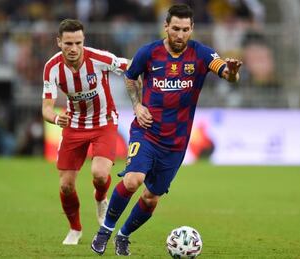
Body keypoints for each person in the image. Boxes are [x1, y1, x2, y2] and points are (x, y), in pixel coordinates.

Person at [91, 4, 242, 256]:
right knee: (132, 180)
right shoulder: (148, 52)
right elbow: (130, 76)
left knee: (151, 197)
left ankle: (123, 235)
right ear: (166, 27)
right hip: (146, 131)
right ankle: (104, 230)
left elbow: (226, 72)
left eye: (185, 29)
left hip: (175, 143)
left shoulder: (202, 54)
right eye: (175, 29)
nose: (180, 34)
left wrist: (234, 73)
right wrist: (137, 104)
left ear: (192, 28)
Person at [42, 19, 130, 245]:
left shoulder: (100, 59)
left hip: (104, 122)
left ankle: (101, 198)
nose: (73, 48)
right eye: (68, 43)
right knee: (65, 185)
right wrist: (55, 118)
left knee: (100, 175)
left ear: (84, 41)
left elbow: (130, 66)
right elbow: (46, 109)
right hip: (73, 125)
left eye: (78, 43)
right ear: (59, 42)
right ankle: (75, 229)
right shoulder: (51, 68)